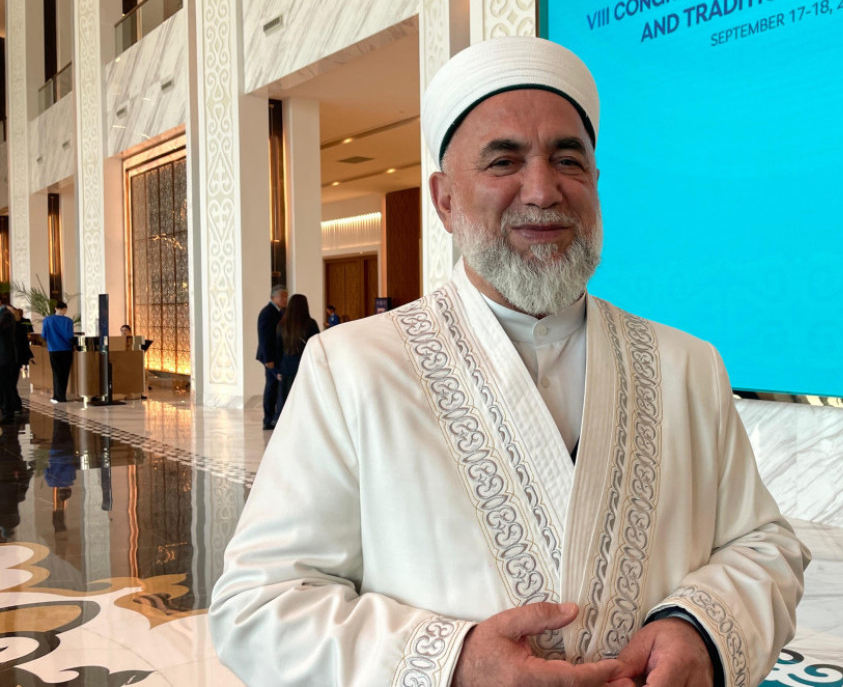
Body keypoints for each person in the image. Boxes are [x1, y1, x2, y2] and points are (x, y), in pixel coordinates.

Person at [211, 37, 808, 687]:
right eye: (504, 161)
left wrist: (699, 630)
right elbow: (258, 604)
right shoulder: (351, 368)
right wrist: (455, 664)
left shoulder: (687, 366)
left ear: (595, 184)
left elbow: (764, 546)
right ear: (444, 200)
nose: (544, 191)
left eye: (568, 160)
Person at [274, 294, 320, 415]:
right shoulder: (310, 324)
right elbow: (315, 347)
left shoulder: (281, 325)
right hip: (305, 368)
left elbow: (278, 349)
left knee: (286, 403)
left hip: (286, 368)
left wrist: (278, 370)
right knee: (304, 403)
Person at [255, 285, 287, 430]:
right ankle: (268, 419)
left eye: (286, 296)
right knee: (271, 387)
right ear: (273, 297)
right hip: (270, 358)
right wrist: (268, 360)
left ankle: (274, 418)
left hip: (277, 357)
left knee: (275, 387)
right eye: (282, 296)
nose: (285, 299)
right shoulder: (267, 313)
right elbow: (264, 338)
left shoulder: (280, 312)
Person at [43, 301, 76, 404]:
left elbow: (44, 335)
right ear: (65, 309)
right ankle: (62, 396)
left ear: (55, 308)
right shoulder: (68, 321)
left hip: (53, 349)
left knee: (56, 373)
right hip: (66, 349)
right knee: (64, 373)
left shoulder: (47, 320)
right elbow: (70, 336)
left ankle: (57, 396)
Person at [0, 305, 25, 423]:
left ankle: (8, 414)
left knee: (5, 386)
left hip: (4, 358)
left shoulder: (6, 315)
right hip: (3, 357)